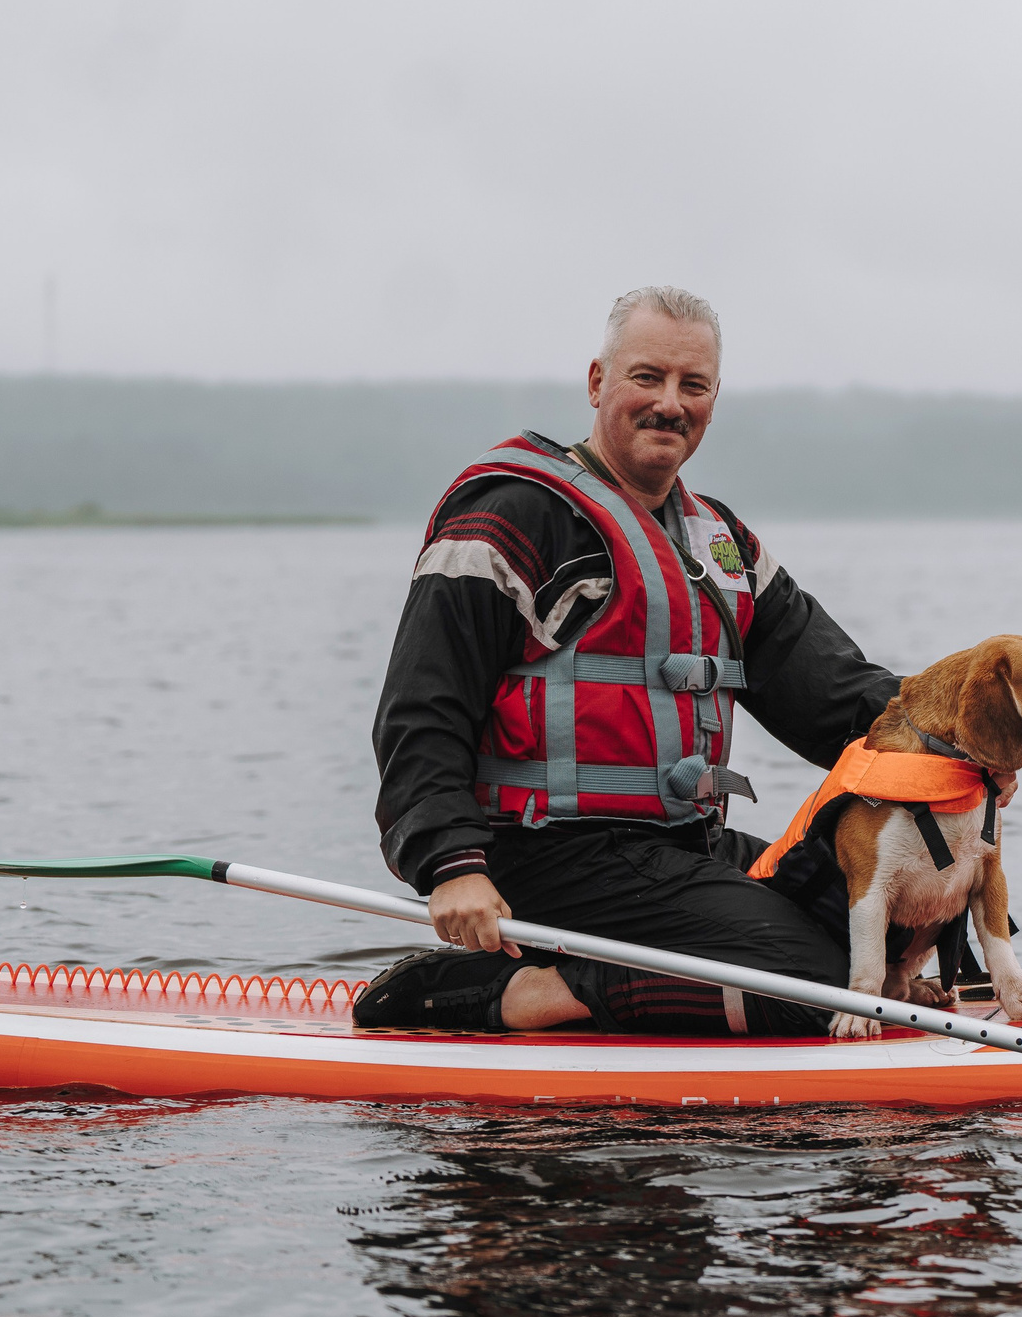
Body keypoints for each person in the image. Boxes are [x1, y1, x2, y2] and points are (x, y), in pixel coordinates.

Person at [364, 286, 902, 1034]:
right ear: (597, 382)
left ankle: (683, 967)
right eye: (647, 377)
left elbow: (837, 694)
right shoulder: (511, 516)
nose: (670, 404)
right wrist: (452, 863)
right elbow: (421, 709)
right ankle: (507, 993)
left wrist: (969, 738)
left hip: (682, 848)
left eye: (694, 385)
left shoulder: (721, 544)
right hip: (542, 857)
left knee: (891, 921)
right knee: (818, 984)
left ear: (714, 399)